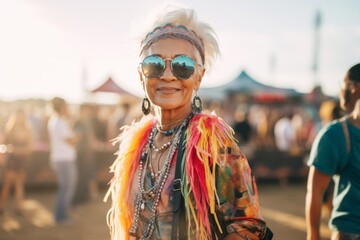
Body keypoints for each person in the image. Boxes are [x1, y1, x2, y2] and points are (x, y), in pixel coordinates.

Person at [105, 6, 272, 240]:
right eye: (154, 64)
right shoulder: (135, 147)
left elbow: (248, 224)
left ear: (199, 76)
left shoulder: (211, 143)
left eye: (182, 65)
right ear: (140, 75)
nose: (167, 75)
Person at [306, 63, 360, 240]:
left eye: (342, 84)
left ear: (354, 88)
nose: (340, 91)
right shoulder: (337, 135)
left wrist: (313, 236)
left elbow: (314, 193)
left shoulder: (335, 134)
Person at [47, 97, 78, 224]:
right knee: (66, 188)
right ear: (62, 107)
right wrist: (78, 136)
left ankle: (61, 215)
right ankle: (60, 216)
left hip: (61, 159)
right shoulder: (59, 122)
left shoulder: (56, 121)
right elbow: (71, 141)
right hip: (64, 160)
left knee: (65, 188)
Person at [0, 109, 33, 215]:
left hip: (21, 159)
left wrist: (17, 150)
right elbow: (5, 146)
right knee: (8, 183)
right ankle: (2, 206)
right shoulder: (10, 130)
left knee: (19, 183)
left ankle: (19, 207)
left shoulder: (28, 130)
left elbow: (30, 147)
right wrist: (15, 150)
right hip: (12, 160)